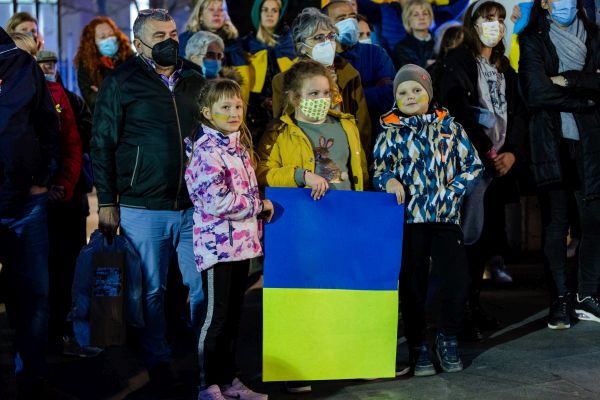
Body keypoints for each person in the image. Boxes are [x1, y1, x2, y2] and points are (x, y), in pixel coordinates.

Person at [90, 8, 206, 390]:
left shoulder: (193, 76)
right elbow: (103, 143)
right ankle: (158, 361)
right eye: (160, 36)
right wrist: (107, 201)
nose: (170, 41)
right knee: (153, 289)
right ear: (138, 42)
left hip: (192, 205)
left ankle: (200, 353)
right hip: (142, 205)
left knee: (199, 285)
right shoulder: (121, 81)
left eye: (173, 33)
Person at [257, 60, 367, 392]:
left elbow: (358, 169)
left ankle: (351, 359)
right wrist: (299, 175)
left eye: (325, 91)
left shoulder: (345, 125)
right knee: (303, 294)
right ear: (293, 98)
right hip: (304, 226)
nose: (321, 97)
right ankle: (299, 366)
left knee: (347, 293)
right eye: (312, 93)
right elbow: (262, 171)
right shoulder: (280, 130)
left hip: (344, 221)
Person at [373, 64, 482, 376]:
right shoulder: (390, 131)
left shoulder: (450, 127)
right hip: (410, 219)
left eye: (416, 90)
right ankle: (418, 343)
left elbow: (473, 164)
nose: (410, 96)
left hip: (445, 217)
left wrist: (454, 191)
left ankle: (446, 336)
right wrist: (390, 181)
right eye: (402, 92)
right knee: (413, 284)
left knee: (457, 279)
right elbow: (379, 169)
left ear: (429, 93)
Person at [440, 0, 527, 340]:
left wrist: (513, 154)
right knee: (468, 241)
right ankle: (457, 314)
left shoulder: (506, 66)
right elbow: (456, 110)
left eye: (500, 20)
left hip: (501, 166)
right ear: (473, 22)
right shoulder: (458, 61)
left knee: (486, 242)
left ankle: (473, 306)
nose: (495, 25)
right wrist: (488, 151)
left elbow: (518, 115)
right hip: (472, 166)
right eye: (488, 18)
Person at [185, 78, 272, 400]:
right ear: (208, 112)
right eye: (225, 107)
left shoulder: (238, 147)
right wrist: (259, 206)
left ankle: (229, 380)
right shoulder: (207, 150)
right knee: (216, 317)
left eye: (237, 105)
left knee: (234, 315)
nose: (234, 112)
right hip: (218, 247)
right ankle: (207, 384)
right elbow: (215, 201)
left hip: (241, 244)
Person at [519, 0, 600, 327]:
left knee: (593, 218)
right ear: (545, 3)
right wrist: (587, 94)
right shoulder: (532, 38)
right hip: (551, 140)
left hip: (590, 141)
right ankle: (560, 300)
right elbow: (537, 92)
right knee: (557, 221)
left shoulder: (594, 35)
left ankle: (586, 294)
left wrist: (567, 78)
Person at [0, 26, 59, 398]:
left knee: (34, 294)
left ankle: (31, 373)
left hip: (24, 201)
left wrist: (45, 175)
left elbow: (46, 122)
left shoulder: (20, 64)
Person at [37, 49, 94, 355]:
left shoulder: (69, 99)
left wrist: (63, 184)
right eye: (41, 63)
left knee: (66, 266)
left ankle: (60, 332)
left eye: (50, 63)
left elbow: (78, 140)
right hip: (36, 199)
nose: (47, 67)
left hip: (70, 197)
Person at [271, 7, 372, 157]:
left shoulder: (349, 75)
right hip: (304, 160)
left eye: (331, 36)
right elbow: (281, 127)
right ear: (302, 47)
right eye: (318, 38)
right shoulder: (282, 81)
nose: (327, 42)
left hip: (344, 157)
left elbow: (363, 128)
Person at [323, 0, 396, 154]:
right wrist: (372, 91)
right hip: (336, 143)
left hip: (378, 140)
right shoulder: (322, 61)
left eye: (353, 17)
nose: (349, 22)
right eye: (341, 19)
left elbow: (389, 96)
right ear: (326, 26)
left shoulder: (376, 54)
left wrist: (346, 96)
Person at [242, 0, 296, 142]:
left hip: (289, 112)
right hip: (255, 117)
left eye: (274, 10)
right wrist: (261, 102)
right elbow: (243, 82)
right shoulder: (245, 45)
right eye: (265, 10)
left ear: (280, 13)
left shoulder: (291, 44)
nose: (269, 14)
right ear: (258, 13)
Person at [74, 16, 134, 112]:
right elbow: (93, 102)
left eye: (111, 34)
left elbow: (139, 94)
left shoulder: (130, 59)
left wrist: (104, 93)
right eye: (103, 37)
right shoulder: (86, 67)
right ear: (93, 42)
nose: (109, 39)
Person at [392, 0, 435, 69]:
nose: (422, 18)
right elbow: (406, 75)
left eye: (425, 14)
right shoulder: (401, 48)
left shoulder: (441, 43)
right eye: (416, 15)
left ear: (430, 18)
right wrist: (425, 66)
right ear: (408, 20)